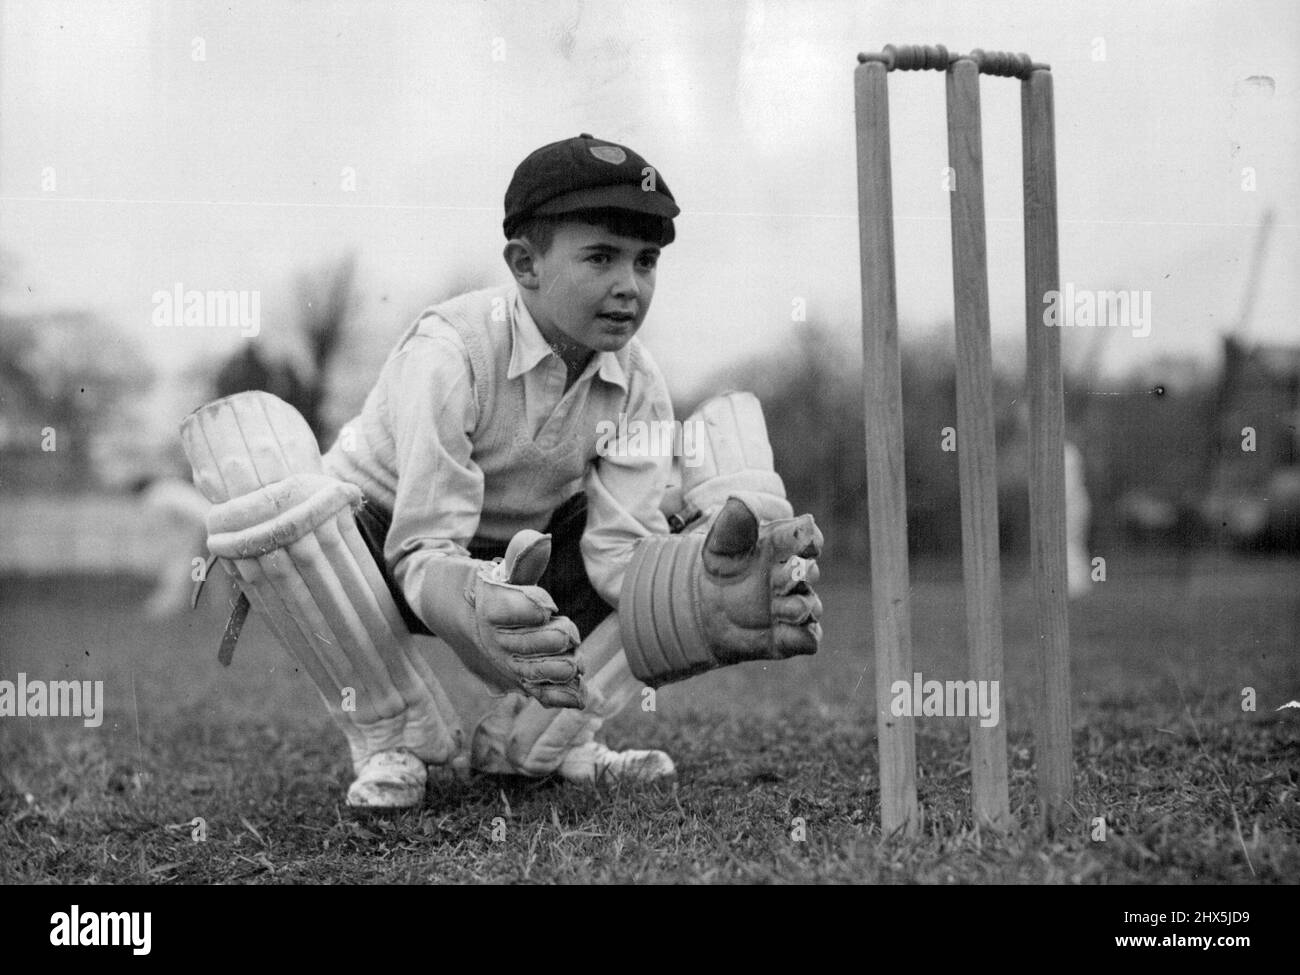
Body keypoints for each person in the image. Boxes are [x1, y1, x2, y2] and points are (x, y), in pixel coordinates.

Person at [181, 134, 824, 808]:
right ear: (525, 264)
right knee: (271, 494)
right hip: (377, 546)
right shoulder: (451, 351)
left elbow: (617, 555)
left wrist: (695, 595)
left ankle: (541, 741)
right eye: (600, 257)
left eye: (645, 261)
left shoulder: (637, 381)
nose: (628, 287)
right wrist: (475, 601)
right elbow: (420, 549)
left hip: (525, 559)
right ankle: (394, 737)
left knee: (679, 532)